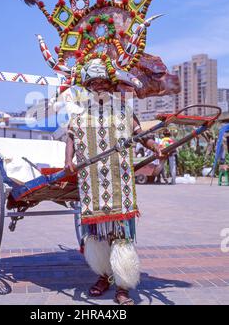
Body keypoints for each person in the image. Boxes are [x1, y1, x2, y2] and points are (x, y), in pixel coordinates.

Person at [64, 59, 161, 305]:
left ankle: (123, 286)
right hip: (92, 184)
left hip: (120, 184)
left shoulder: (124, 110)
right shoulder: (80, 112)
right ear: (88, 86)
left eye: (103, 82)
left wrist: (154, 146)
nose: (99, 87)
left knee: (121, 235)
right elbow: (71, 137)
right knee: (96, 235)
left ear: (111, 85)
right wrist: (68, 161)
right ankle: (103, 276)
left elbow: (139, 133)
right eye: (94, 83)